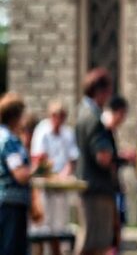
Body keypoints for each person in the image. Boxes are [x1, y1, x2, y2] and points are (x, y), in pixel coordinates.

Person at [74, 68, 119, 255]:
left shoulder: (82, 113)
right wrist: (119, 159)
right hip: (97, 188)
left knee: (91, 239)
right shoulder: (94, 118)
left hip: (88, 185)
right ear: (101, 91)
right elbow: (103, 157)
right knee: (95, 243)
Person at [30, 100, 79, 255]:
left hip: (61, 186)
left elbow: (72, 159)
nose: (59, 119)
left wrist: (63, 174)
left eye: (62, 116)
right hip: (45, 186)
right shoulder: (42, 131)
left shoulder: (68, 133)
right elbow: (39, 158)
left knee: (60, 226)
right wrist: (50, 173)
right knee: (43, 227)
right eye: (56, 116)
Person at [0, 93, 34, 255]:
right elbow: (19, 174)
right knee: (12, 250)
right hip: (11, 203)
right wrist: (38, 169)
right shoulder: (9, 140)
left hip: (7, 201)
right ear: (15, 116)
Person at [102, 96, 132, 255]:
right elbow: (108, 160)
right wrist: (124, 158)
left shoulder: (108, 130)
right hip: (108, 189)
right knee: (111, 230)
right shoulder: (104, 128)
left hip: (113, 187)